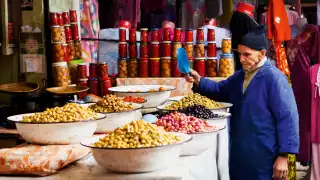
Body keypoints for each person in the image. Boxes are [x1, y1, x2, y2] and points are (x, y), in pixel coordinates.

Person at [185, 25, 299, 180]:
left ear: (262, 54)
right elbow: (221, 90)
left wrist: (283, 155)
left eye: (247, 54)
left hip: (264, 155)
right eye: (239, 54)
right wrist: (200, 81)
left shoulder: (274, 78)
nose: (241, 59)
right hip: (239, 153)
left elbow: (288, 117)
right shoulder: (240, 76)